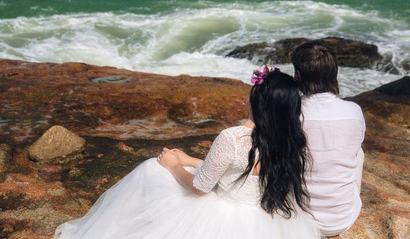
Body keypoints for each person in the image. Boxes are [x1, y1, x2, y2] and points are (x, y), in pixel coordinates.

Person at [54, 66, 320, 239]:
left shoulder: (233, 137)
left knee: (150, 168)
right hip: (265, 220)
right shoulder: (290, 140)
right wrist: (189, 159)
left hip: (225, 219)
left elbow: (200, 187)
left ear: (257, 100)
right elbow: (240, 171)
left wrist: (173, 165)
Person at [291, 41, 366, 237]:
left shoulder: (292, 114)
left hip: (300, 216)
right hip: (342, 218)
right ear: (334, 74)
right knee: (358, 152)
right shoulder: (354, 111)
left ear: (298, 75)